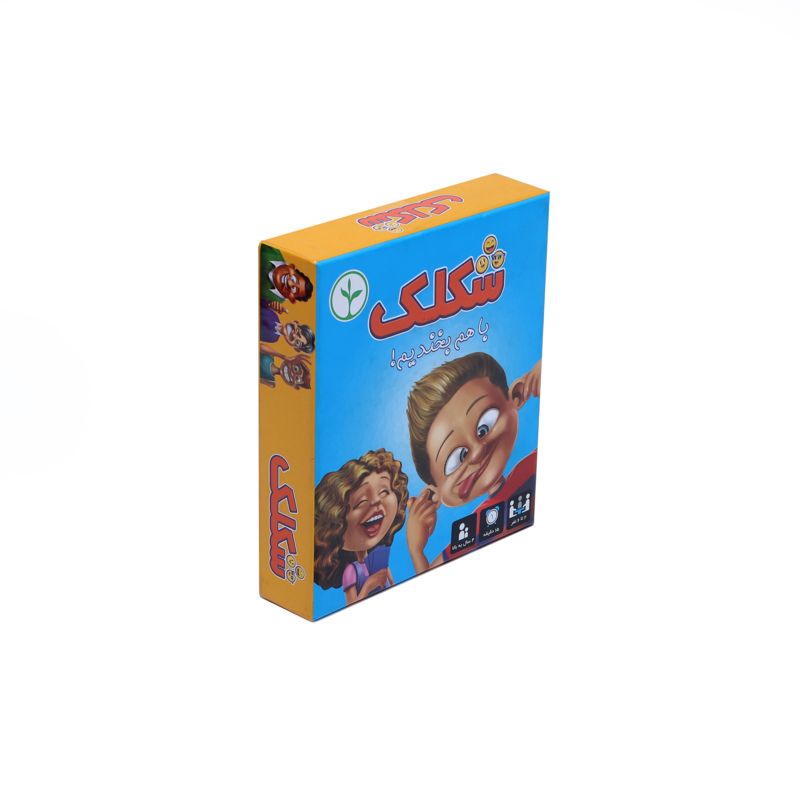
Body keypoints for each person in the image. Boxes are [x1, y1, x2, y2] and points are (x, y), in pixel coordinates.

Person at [404, 352, 541, 573]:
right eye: (457, 458)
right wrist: (416, 549)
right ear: (435, 494)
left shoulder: (533, 466)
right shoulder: (472, 529)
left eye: (484, 427)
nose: (477, 452)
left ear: (516, 395)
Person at [314, 449, 408, 606]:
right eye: (361, 501)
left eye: (384, 491)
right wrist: (370, 584)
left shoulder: (382, 565)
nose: (376, 501)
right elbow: (351, 607)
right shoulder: (350, 572)